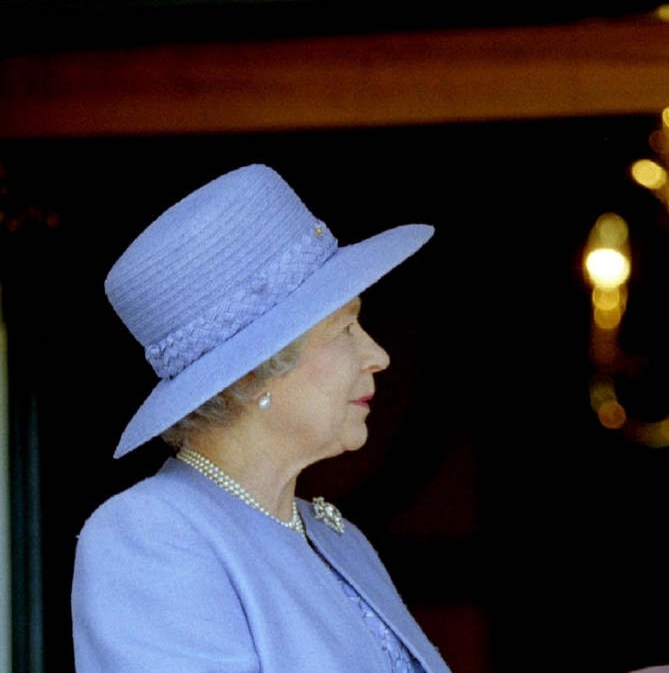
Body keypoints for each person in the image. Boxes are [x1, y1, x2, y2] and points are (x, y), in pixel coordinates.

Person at [72, 164, 453, 672]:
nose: (377, 355)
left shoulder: (336, 537)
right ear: (253, 375)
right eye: (345, 329)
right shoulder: (150, 533)